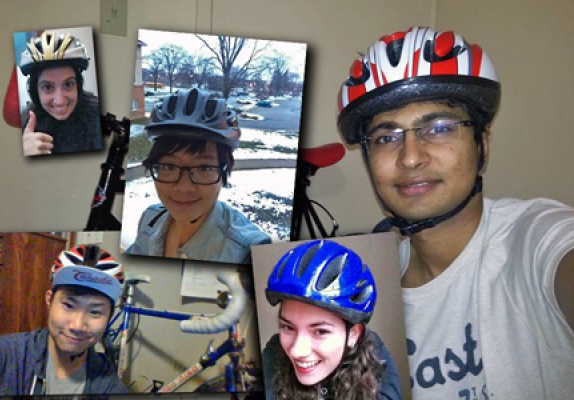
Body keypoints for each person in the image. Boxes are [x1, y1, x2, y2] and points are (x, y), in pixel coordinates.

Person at [336, 26, 574, 399]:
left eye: (440, 127)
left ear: (483, 146)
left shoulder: (536, 239)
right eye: (386, 137)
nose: (411, 156)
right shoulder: (363, 292)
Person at [126, 88, 272, 264]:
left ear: (223, 170)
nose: (183, 188)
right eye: (168, 166)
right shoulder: (149, 220)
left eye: (203, 168)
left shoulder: (248, 252)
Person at [261, 240, 402, 400]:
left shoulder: (375, 356)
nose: (296, 351)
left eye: (320, 331)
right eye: (287, 327)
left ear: (354, 334)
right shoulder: (273, 353)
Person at [0, 244, 128, 396]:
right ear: (49, 300)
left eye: (95, 312)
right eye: (69, 305)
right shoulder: (0, 357)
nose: (77, 326)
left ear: (109, 317)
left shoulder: (108, 385)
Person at [19, 30, 102, 156]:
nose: (60, 101)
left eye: (68, 85)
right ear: (36, 92)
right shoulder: (23, 125)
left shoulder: (97, 116)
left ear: (78, 86)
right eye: (47, 87)